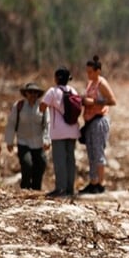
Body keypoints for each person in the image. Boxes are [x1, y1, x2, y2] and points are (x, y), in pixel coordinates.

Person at [40, 66, 81, 198]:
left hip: (58, 132)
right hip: (73, 129)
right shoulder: (73, 91)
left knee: (59, 161)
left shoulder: (52, 91)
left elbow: (42, 107)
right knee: (70, 159)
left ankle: (60, 188)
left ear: (57, 78)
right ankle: (70, 188)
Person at [80, 55, 117, 194]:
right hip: (89, 121)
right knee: (91, 152)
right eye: (87, 72)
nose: (88, 74)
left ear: (97, 71)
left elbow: (112, 100)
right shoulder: (90, 83)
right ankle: (93, 181)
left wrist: (94, 102)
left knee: (98, 152)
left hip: (99, 119)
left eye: (90, 72)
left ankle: (101, 183)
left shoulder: (102, 83)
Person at [5, 82, 50, 190]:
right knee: (27, 164)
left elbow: (47, 124)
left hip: (38, 143)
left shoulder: (42, 106)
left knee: (41, 164)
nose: (32, 95)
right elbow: (11, 123)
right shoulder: (19, 106)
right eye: (30, 92)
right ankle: (25, 188)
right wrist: (9, 141)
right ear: (26, 94)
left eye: (35, 92)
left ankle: (36, 189)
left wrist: (47, 139)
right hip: (23, 141)